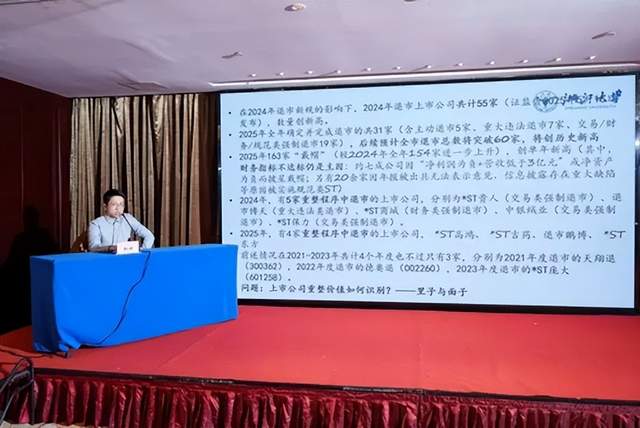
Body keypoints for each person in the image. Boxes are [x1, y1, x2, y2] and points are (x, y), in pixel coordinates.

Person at [88, 189, 155, 252]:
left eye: (121, 204)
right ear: (105, 207)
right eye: (114, 204)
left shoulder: (128, 218)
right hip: (104, 258)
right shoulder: (96, 224)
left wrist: (142, 252)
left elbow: (149, 236)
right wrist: (110, 248)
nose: (118, 208)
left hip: (125, 258)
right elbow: (93, 248)